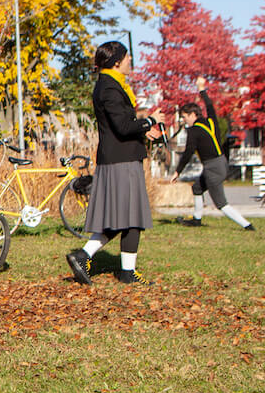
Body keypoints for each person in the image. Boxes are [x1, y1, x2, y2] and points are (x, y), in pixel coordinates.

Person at [66, 41, 165, 287]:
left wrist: (144, 133)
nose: (132, 61)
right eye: (128, 58)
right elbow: (121, 127)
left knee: (129, 217)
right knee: (128, 217)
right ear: (117, 62)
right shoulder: (109, 88)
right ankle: (87, 257)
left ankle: (123, 271)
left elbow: (119, 126)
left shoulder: (111, 85)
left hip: (122, 157)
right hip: (120, 161)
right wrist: (150, 120)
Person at [172, 77, 254, 231]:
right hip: (221, 162)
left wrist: (177, 171)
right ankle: (196, 220)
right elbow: (209, 105)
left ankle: (247, 226)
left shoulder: (193, 131)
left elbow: (188, 152)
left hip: (212, 168)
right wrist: (202, 89)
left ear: (191, 115)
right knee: (197, 188)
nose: (184, 120)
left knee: (221, 204)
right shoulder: (211, 121)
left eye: (184, 117)